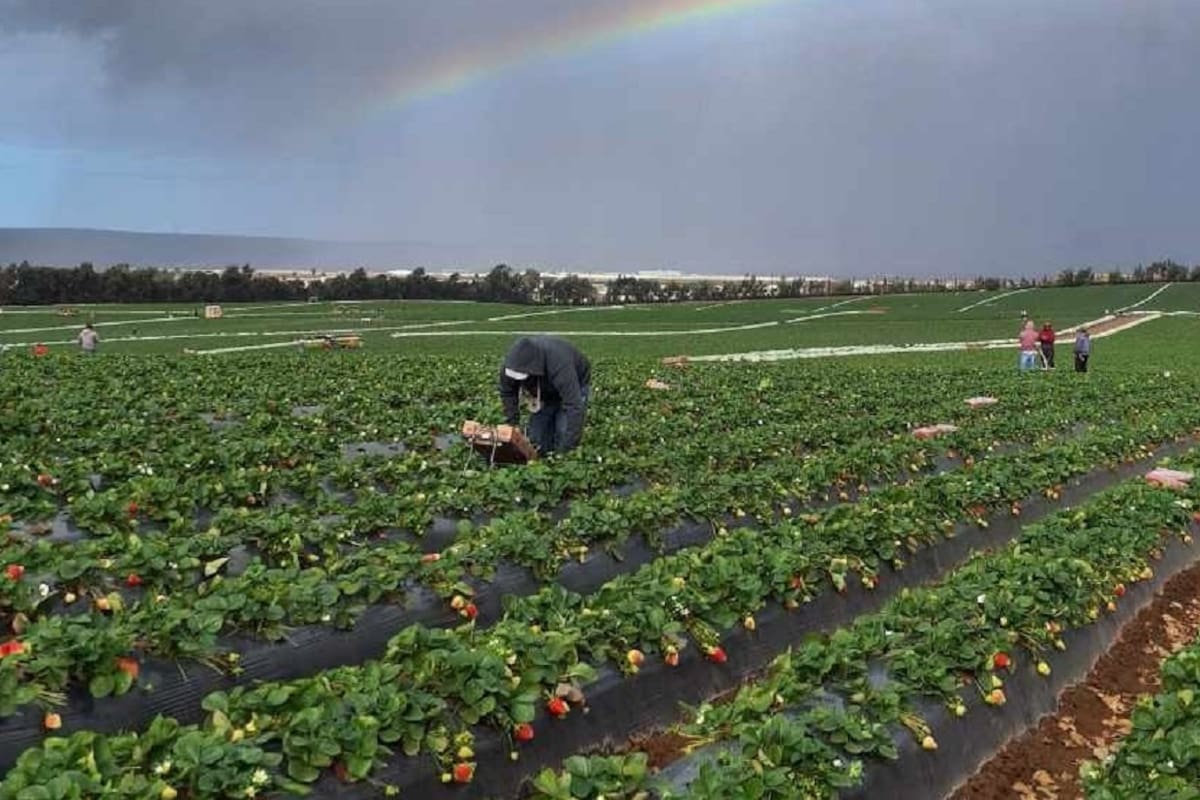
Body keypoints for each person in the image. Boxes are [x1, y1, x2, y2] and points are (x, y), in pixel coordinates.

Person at [499, 335, 591, 455]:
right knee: (537, 438)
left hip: (575, 382)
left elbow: (574, 406)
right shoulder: (510, 366)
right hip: (545, 389)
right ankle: (543, 457)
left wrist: (566, 451)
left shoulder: (560, 365)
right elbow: (508, 392)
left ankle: (562, 457)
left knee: (563, 430)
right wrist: (513, 423)